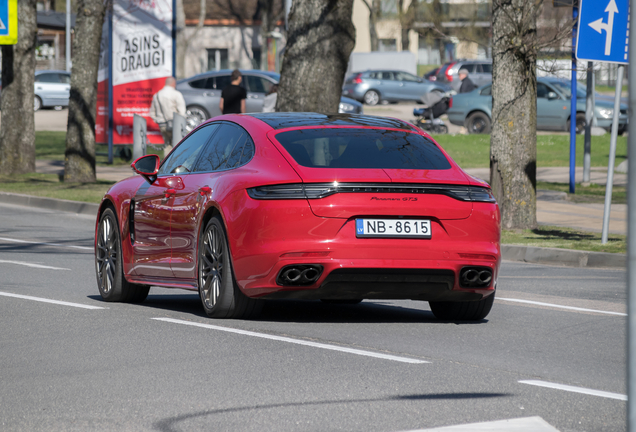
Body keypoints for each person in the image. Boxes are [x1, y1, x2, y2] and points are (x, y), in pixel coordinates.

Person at [150, 76, 186, 154]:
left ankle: (166, 164)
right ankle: (175, 165)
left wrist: (158, 120)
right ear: (173, 83)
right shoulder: (176, 94)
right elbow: (182, 112)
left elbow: (152, 113)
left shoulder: (157, 95)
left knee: (167, 146)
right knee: (177, 146)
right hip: (175, 124)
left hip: (162, 125)